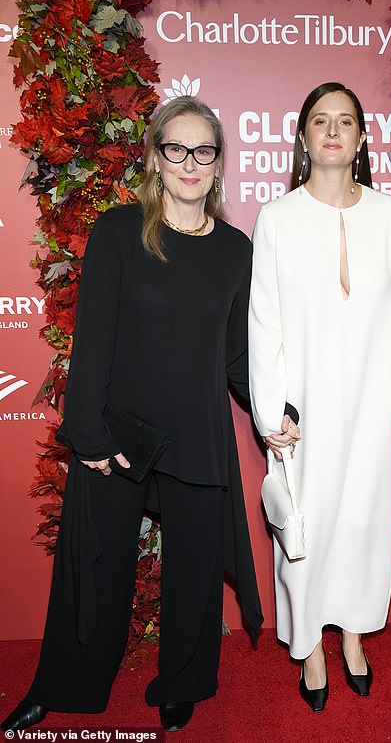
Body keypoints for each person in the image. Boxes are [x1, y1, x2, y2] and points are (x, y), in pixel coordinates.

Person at [1, 96, 263, 734]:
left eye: (204, 150)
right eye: (176, 148)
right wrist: (86, 429)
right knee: (94, 564)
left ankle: (183, 682)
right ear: (156, 157)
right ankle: (65, 683)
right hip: (117, 433)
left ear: (219, 162)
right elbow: (93, 338)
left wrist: (277, 409)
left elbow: (237, 360)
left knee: (194, 572)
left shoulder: (236, 249)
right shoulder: (119, 230)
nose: (190, 163)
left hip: (197, 435)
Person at [248, 82, 391, 711]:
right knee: (305, 526)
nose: (334, 131)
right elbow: (263, 323)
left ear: (363, 138)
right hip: (301, 412)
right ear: (304, 137)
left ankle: (351, 638)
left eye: (346, 121)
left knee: (362, 523)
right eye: (321, 121)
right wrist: (271, 412)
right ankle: (310, 647)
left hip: (371, 406)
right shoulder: (278, 218)